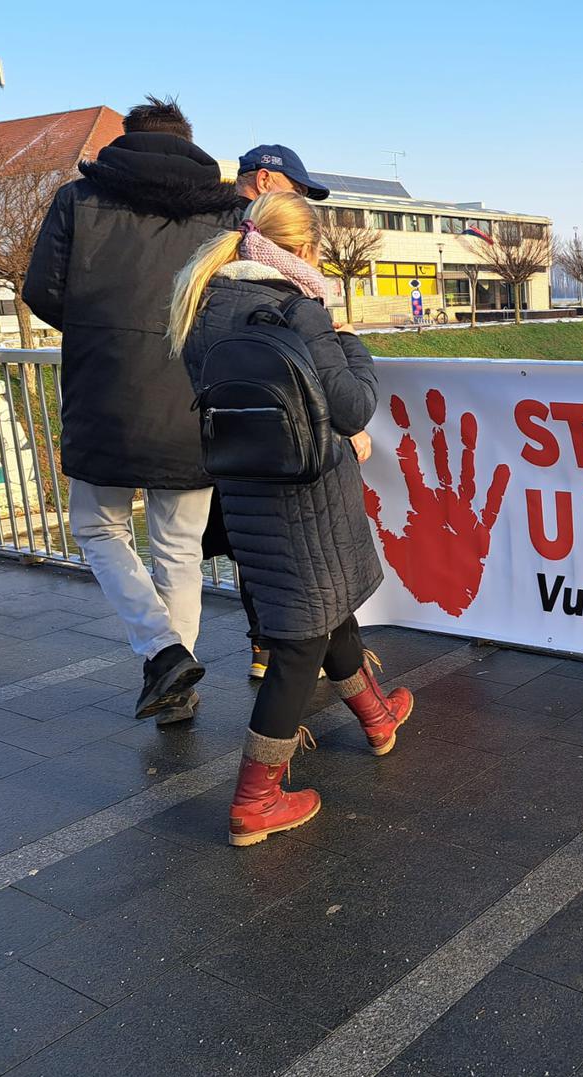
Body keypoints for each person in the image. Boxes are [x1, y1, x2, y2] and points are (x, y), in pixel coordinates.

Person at [168, 192, 414, 846]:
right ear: (303, 250)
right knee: (301, 641)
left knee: (321, 609)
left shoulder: (203, 306)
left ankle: (378, 716)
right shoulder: (299, 311)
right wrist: (349, 345)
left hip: (246, 490)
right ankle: (256, 799)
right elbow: (353, 404)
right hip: (308, 492)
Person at [23, 97, 242, 724]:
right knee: (177, 545)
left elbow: (42, 290)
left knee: (97, 527)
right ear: (188, 141)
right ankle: (177, 682)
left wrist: (101, 331)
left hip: (105, 393)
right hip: (195, 397)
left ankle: (161, 651)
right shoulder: (225, 210)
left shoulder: (78, 200)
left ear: (126, 140)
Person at [231, 144, 328, 680]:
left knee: (259, 549)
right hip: (288, 447)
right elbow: (345, 396)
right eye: (298, 193)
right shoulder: (296, 300)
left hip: (232, 441)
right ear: (267, 183)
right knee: (310, 562)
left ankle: (268, 650)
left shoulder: (209, 282)